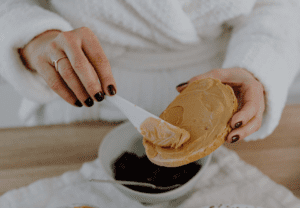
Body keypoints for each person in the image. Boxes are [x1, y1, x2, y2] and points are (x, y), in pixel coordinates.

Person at [0, 0, 299, 144]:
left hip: (217, 103)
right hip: (80, 101)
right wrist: (34, 39)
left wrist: (256, 67)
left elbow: (279, 6)